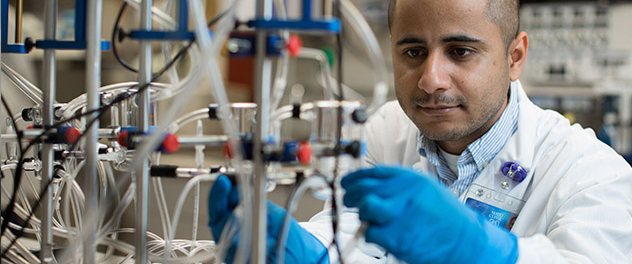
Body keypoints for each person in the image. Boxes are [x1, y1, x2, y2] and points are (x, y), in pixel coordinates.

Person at [208, 0, 632, 263]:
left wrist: (487, 255)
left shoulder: (591, 173)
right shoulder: (385, 130)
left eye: (460, 52)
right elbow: (348, 235)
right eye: (413, 52)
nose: (431, 80)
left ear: (515, 56)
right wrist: (307, 250)